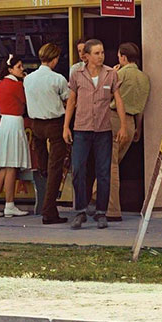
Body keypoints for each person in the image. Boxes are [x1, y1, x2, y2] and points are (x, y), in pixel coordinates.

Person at [63, 37, 128, 230]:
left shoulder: (111, 74)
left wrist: (123, 126)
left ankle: (101, 212)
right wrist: (66, 126)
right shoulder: (77, 74)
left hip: (103, 129)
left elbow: (118, 99)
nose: (101, 56)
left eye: (102, 53)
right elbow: (72, 101)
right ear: (87, 56)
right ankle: (80, 211)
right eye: (97, 53)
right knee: (78, 170)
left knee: (104, 172)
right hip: (81, 129)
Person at [23, 42, 70, 225]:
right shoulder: (58, 79)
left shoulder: (28, 79)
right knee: (55, 168)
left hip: (36, 125)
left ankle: (46, 204)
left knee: (43, 167)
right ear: (55, 58)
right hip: (54, 124)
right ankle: (49, 209)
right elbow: (68, 100)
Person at [105, 42, 150, 220]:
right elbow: (141, 106)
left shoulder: (120, 74)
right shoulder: (144, 78)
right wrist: (138, 127)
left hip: (115, 118)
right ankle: (97, 195)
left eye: (119, 56)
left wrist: (113, 73)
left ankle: (112, 209)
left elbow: (106, 94)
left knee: (110, 165)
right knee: (115, 162)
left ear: (123, 57)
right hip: (131, 123)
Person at [0, 53, 31, 218]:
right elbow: (27, 100)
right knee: (11, 167)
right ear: (10, 68)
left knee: (5, 168)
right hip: (13, 123)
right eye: (18, 67)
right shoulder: (16, 85)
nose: (22, 69)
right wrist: (26, 82)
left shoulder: (2, 83)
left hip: (5, 123)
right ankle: (9, 204)